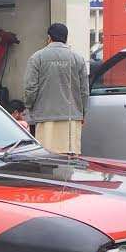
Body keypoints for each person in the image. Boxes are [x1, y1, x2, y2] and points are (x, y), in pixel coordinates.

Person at [23, 23, 89, 154]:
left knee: (46, 159)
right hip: (71, 119)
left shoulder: (37, 58)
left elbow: (30, 88)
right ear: (66, 38)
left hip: (45, 118)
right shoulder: (78, 59)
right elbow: (84, 91)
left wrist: (29, 107)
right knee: (70, 160)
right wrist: (82, 113)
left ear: (49, 38)